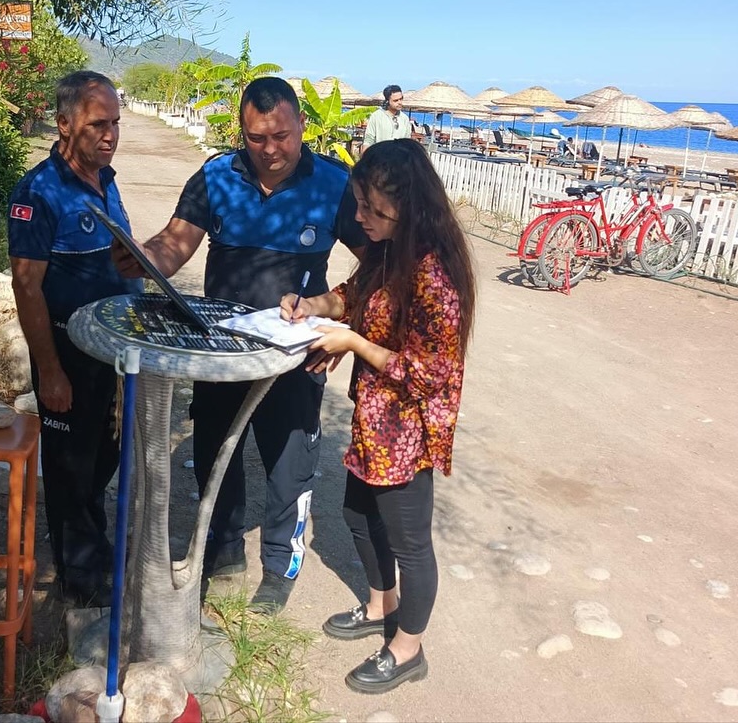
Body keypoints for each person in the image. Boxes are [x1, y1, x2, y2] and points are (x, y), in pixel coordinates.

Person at [112, 76, 366, 613]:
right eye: (256, 138)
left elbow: (378, 266)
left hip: (296, 354)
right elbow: (174, 245)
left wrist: (347, 330)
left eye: (281, 136)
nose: (270, 151)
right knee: (215, 449)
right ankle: (223, 551)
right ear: (241, 132)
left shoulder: (334, 184)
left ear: (302, 126)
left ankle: (280, 567)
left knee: (289, 463)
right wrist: (139, 259)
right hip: (221, 351)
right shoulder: (215, 176)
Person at [279, 139, 477, 694]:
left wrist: (354, 344)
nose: (359, 217)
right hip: (374, 419)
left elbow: (428, 375)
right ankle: (379, 604)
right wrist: (312, 306)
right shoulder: (391, 252)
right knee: (359, 518)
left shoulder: (436, 278)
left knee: (411, 544)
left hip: (408, 432)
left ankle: (407, 646)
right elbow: (352, 294)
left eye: (370, 208)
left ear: (407, 206)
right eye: (359, 204)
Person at [8, 70, 143, 607]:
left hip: (112, 357)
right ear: (64, 125)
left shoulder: (105, 180)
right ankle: (83, 584)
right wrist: (51, 371)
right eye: (96, 125)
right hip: (68, 355)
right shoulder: (38, 194)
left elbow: (120, 263)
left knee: (102, 461)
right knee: (70, 468)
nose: (109, 135)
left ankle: (90, 552)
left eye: (115, 123)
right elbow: (26, 286)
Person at [361, 85, 412, 153]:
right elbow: (369, 139)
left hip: (399, 160)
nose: (400, 102)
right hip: (379, 158)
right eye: (395, 100)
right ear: (387, 101)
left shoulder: (404, 118)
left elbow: (407, 142)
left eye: (401, 99)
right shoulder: (376, 116)